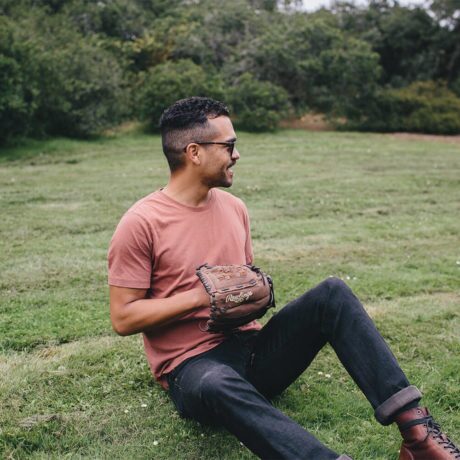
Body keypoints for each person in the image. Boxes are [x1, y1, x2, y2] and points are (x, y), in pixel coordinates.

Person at [108, 96, 459, 459]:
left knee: (332, 294)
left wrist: (255, 294)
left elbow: (242, 293)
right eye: (229, 146)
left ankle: (419, 435)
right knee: (217, 382)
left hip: (252, 354)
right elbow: (123, 317)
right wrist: (198, 298)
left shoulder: (234, 208)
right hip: (193, 370)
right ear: (194, 152)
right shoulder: (142, 222)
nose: (237, 155)